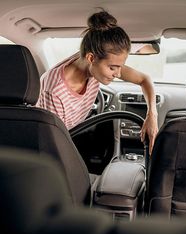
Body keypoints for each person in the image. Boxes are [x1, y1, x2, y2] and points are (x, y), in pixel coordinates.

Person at [36, 10, 158, 154]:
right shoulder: (54, 90)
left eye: (120, 66)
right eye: (113, 68)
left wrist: (152, 115)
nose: (118, 74)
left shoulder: (95, 58)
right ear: (91, 58)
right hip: (49, 142)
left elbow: (145, 79)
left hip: (69, 134)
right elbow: (53, 143)